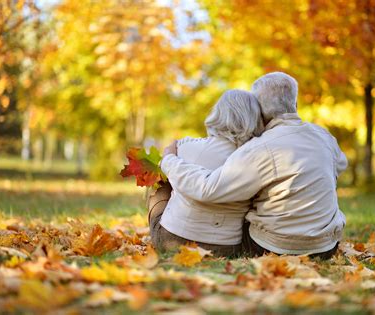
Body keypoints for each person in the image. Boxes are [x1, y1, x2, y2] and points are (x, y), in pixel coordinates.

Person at [161, 72, 347, 259]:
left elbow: (210, 189)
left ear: (259, 111)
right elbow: (340, 165)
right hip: (326, 246)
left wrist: (169, 159)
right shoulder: (323, 136)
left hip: (276, 247)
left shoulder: (258, 148)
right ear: (295, 105)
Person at [148, 89, 264, 257]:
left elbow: (171, 159)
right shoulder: (258, 158)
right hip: (226, 247)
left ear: (218, 114)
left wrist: (169, 155)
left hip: (174, 240)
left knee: (161, 177)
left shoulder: (186, 147)